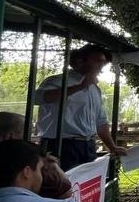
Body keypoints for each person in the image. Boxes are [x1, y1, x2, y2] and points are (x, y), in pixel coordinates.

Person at [33, 43, 127, 171]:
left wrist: (112, 147)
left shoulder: (95, 89)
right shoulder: (57, 81)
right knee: (64, 182)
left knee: (87, 182)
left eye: (104, 62)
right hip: (61, 145)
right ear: (79, 61)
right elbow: (38, 98)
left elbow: (100, 122)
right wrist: (80, 86)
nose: (101, 66)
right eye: (98, 61)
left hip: (88, 145)